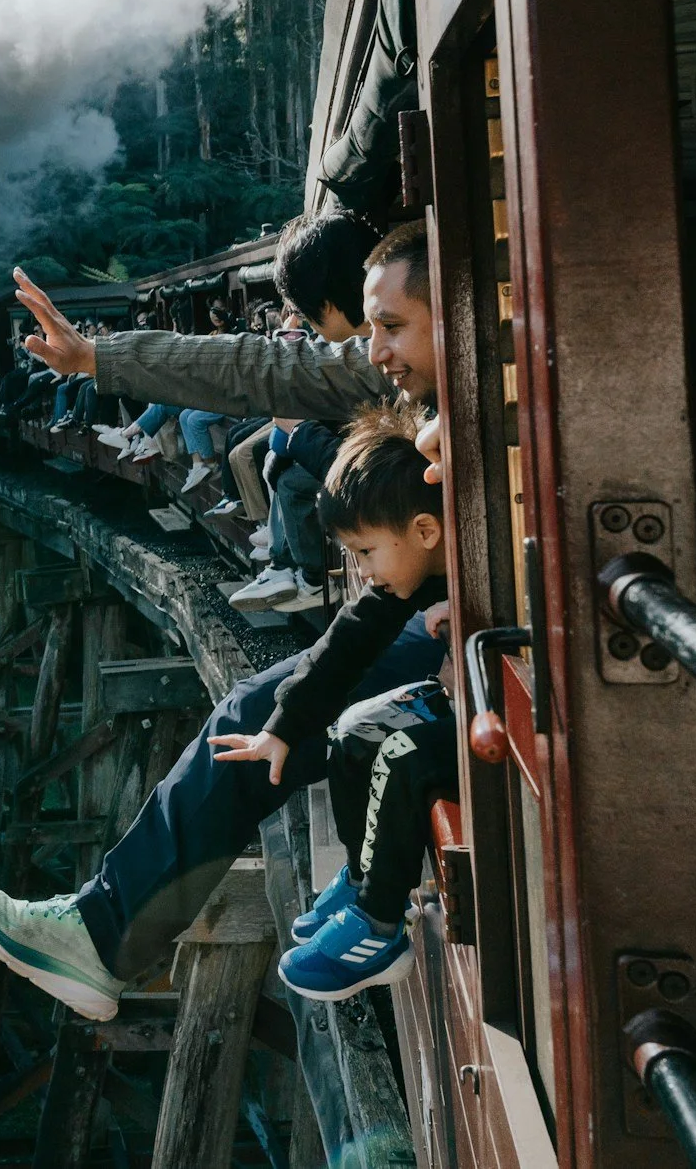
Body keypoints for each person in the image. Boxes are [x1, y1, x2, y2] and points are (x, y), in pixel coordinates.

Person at [0, 220, 441, 1019]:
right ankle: (107, 927)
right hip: (416, 617)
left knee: (252, 715)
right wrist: (100, 359)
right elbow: (261, 366)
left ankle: (103, 937)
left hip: (444, 635)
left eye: (390, 327)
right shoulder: (410, 379)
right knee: (259, 708)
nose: (374, 348)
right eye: (371, 326)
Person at [210, 406, 452, 999]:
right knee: (352, 728)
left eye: (365, 553)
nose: (363, 572)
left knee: (400, 751)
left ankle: (379, 924)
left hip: (504, 718)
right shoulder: (412, 572)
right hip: (466, 701)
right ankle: (363, 871)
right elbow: (343, 645)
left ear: (424, 532)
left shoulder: (465, 557)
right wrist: (281, 728)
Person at [231, 211, 380, 613]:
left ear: (327, 306)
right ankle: (286, 561)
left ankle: (306, 574)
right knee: (274, 461)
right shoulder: (368, 351)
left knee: (283, 469)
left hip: (391, 542)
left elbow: (375, 471)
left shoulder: (370, 356)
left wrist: (300, 432)